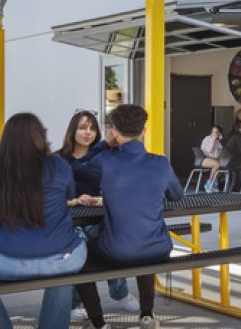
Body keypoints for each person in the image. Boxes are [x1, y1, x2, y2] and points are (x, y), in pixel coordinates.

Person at [0, 113, 86, 329]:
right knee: (65, 270)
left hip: (8, 260)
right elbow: (66, 199)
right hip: (62, 257)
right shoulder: (59, 166)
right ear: (40, 137)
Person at [72, 103, 182, 329]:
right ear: (144, 131)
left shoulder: (106, 160)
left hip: (117, 252)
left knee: (81, 257)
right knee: (142, 235)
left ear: (114, 133)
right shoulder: (160, 162)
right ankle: (147, 314)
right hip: (159, 249)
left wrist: (103, 145)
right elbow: (176, 196)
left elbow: (76, 167)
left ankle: (99, 323)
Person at [57, 111, 134, 315]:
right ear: (72, 131)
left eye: (92, 128)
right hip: (67, 219)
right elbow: (72, 173)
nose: (88, 132)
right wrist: (74, 201)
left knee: (112, 238)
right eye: (82, 127)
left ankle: (120, 291)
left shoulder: (104, 156)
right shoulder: (58, 159)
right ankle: (78, 302)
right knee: (78, 245)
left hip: (97, 216)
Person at [222, 117, 241, 191]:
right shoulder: (238, 137)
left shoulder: (236, 137)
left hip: (229, 161)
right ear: (237, 128)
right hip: (233, 162)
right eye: (240, 127)